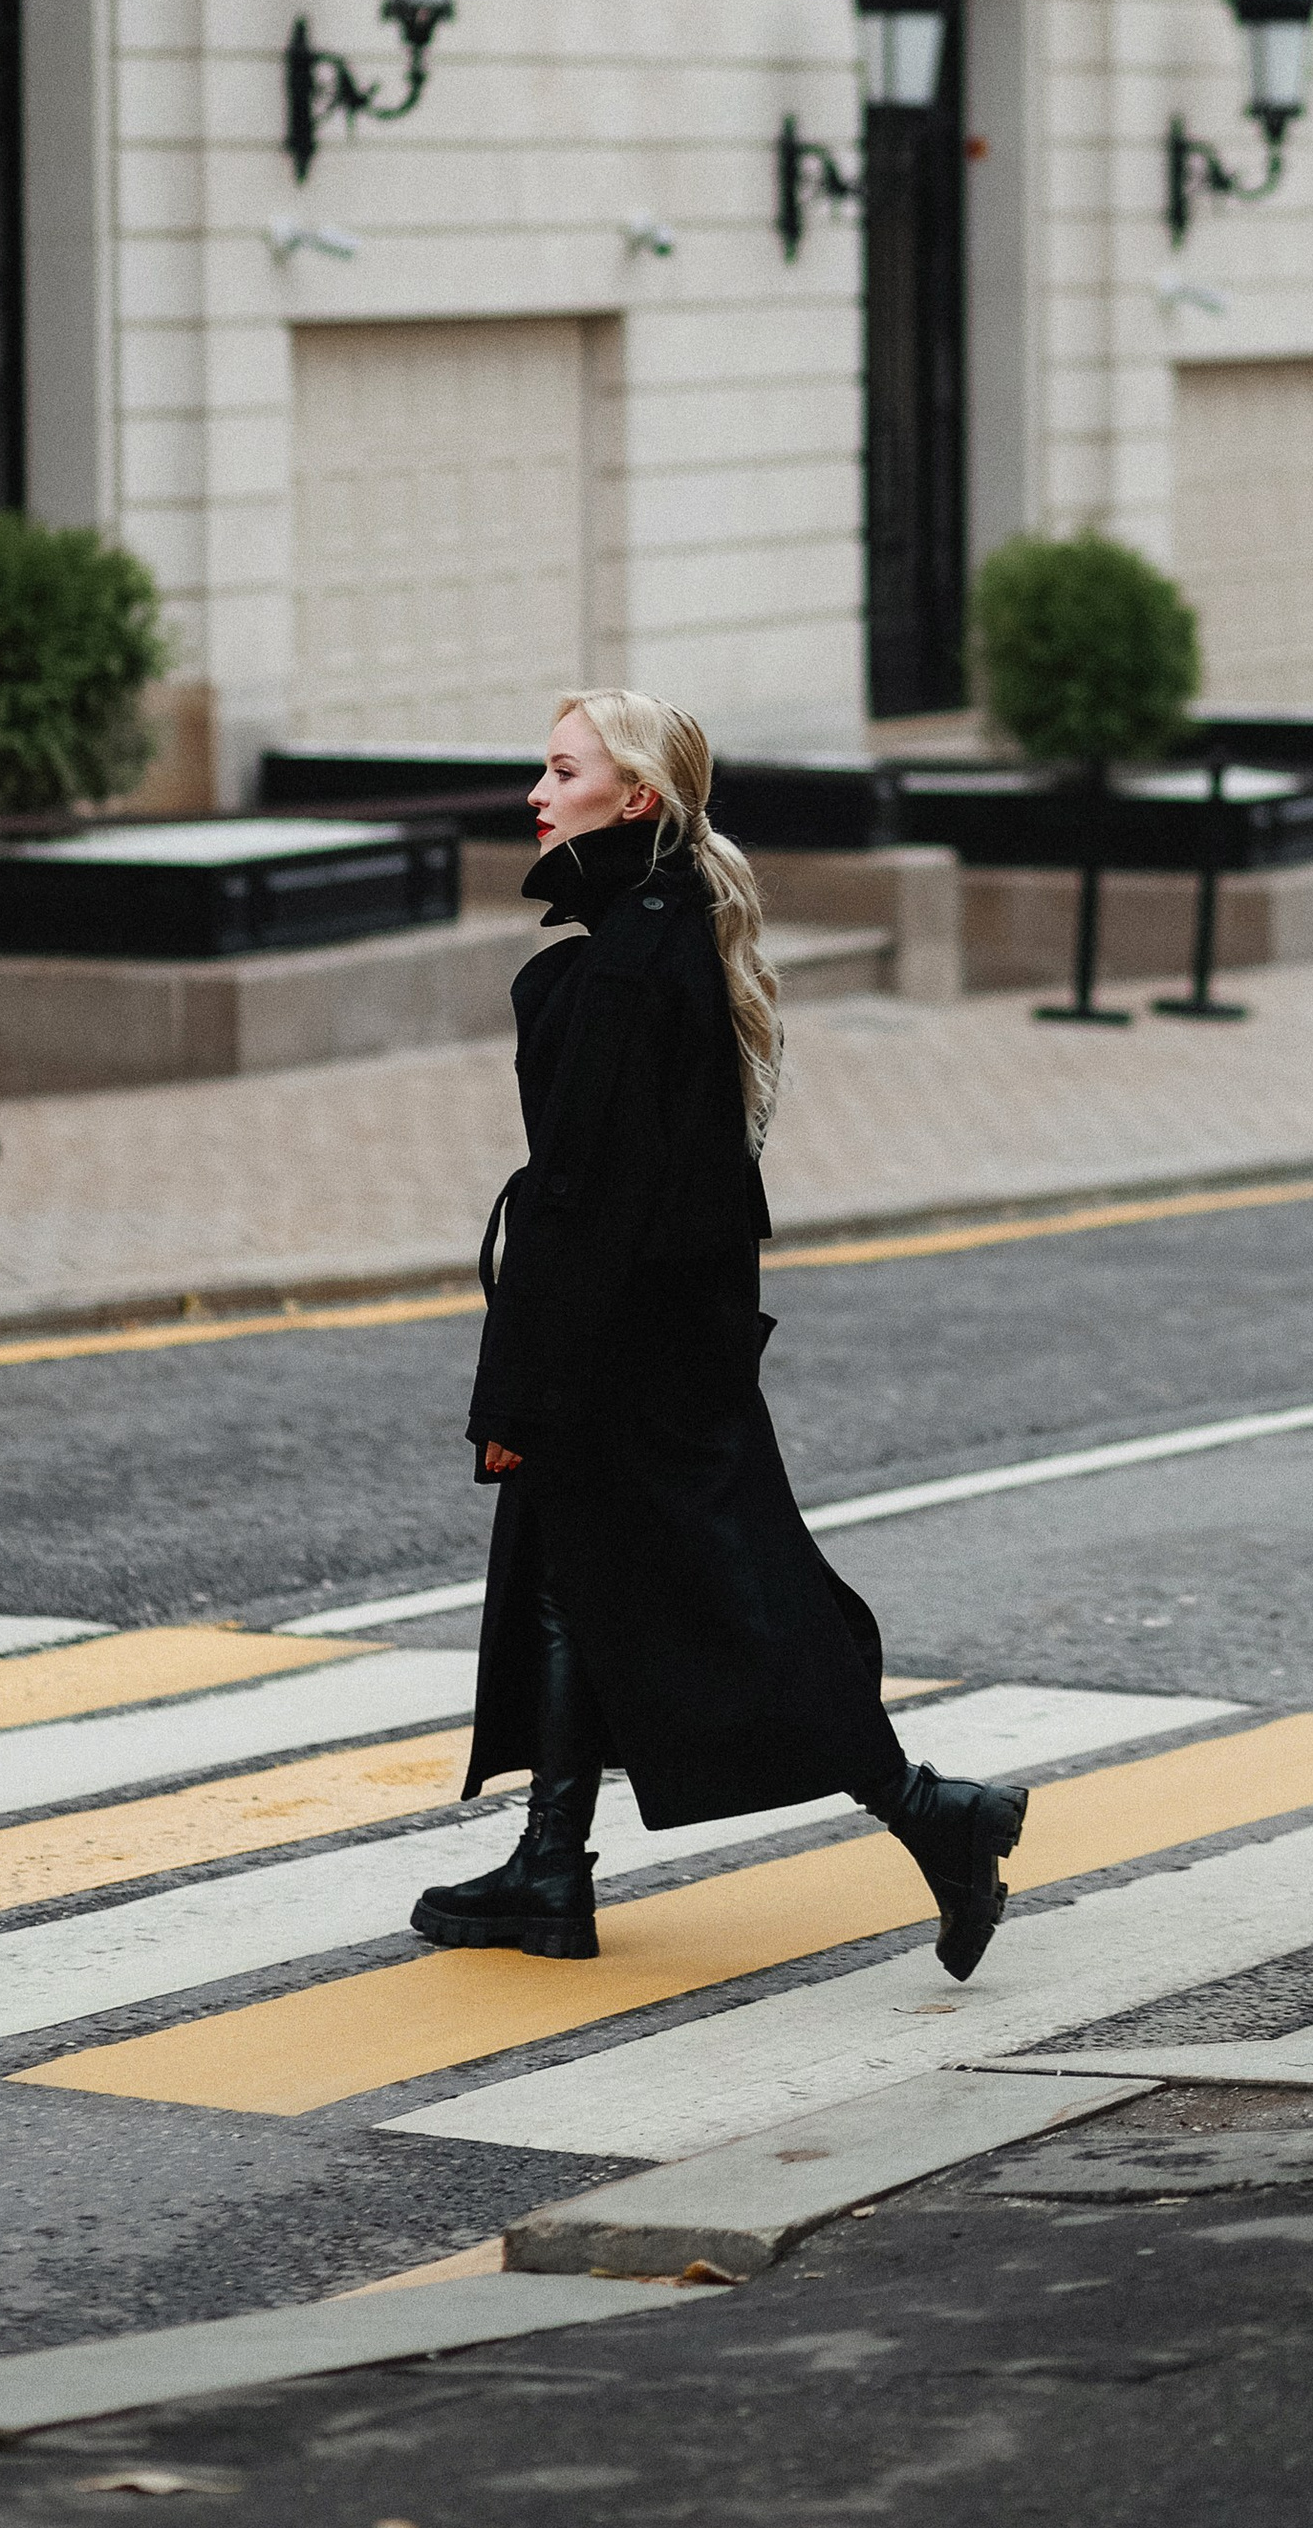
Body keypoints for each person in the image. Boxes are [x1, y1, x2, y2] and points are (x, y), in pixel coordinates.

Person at [411, 688, 1027, 1981]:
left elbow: (583, 1202)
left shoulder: (635, 959)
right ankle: (551, 1865)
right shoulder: (652, 930)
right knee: (584, 1579)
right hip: (653, 1343)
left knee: (739, 1615)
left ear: (633, 795)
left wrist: (515, 1395)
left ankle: (933, 1813)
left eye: (562, 767)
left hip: (630, 1353)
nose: (536, 789)